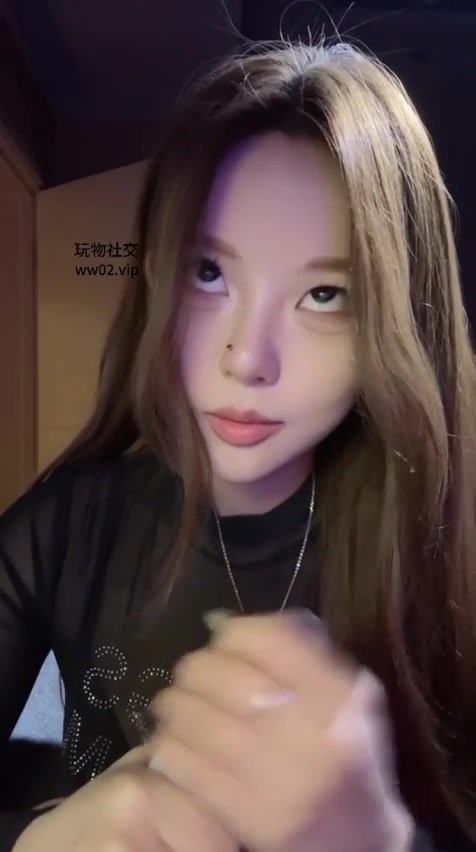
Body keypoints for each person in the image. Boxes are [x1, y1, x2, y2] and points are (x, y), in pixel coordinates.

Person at [1, 35, 475, 851]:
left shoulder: (451, 551)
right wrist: (40, 842)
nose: (247, 359)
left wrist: (376, 839)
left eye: (324, 294)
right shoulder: (69, 523)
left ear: (398, 318)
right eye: (209, 274)